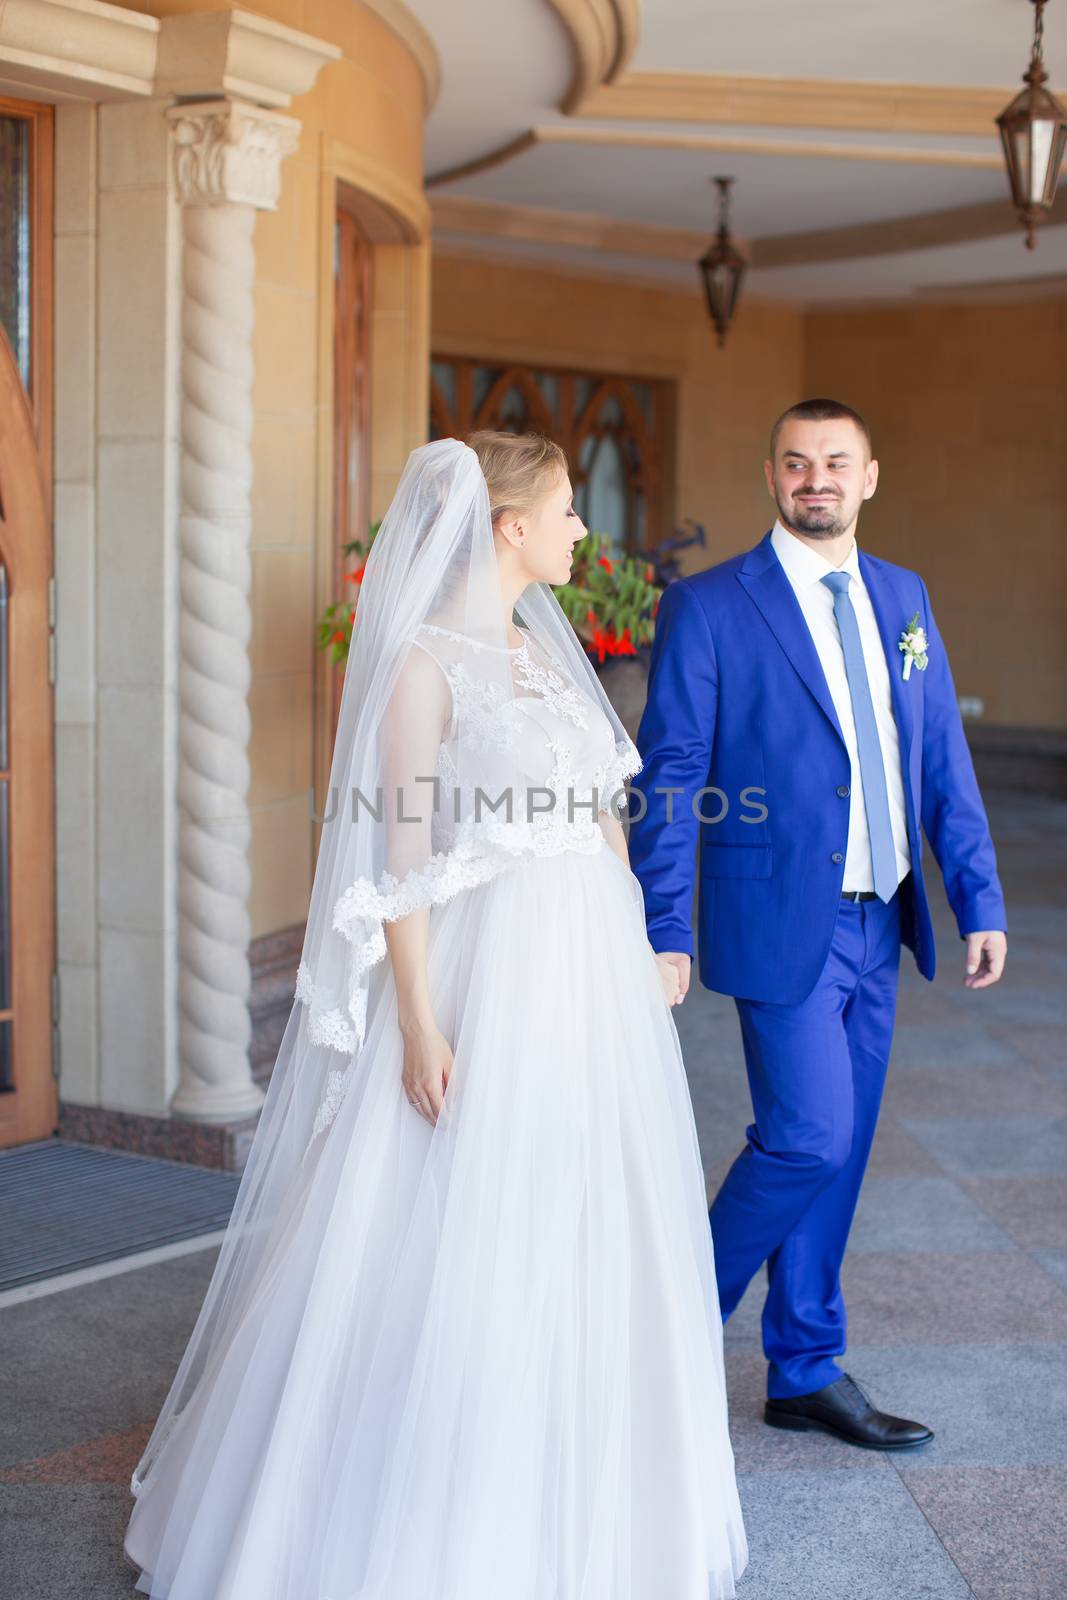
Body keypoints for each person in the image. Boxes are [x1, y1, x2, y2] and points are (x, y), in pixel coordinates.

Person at [123, 432, 748, 1599]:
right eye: (566, 513)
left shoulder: (549, 657)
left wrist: (637, 941)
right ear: (509, 527)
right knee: (453, 1218)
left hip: (588, 979)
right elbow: (397, 860)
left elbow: (603, 808)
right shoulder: (423, 665)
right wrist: (417, 1018)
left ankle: (586, 1486)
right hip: (484, 969)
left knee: (586, 1209)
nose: (580, 534)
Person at [628, 397, 1007, 1451]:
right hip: (774, 914)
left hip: (879, 917)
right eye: (795, 464)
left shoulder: (901, 596)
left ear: (868, 476)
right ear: (769, 477)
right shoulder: (708, 606)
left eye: (834, 463)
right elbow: (670, 777)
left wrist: (973, 893)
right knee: (803, 1137)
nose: (815, 481)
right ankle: (662, 1321)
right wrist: (664, 923)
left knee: (838, 1150)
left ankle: (802, 1365)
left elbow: (937, 758)